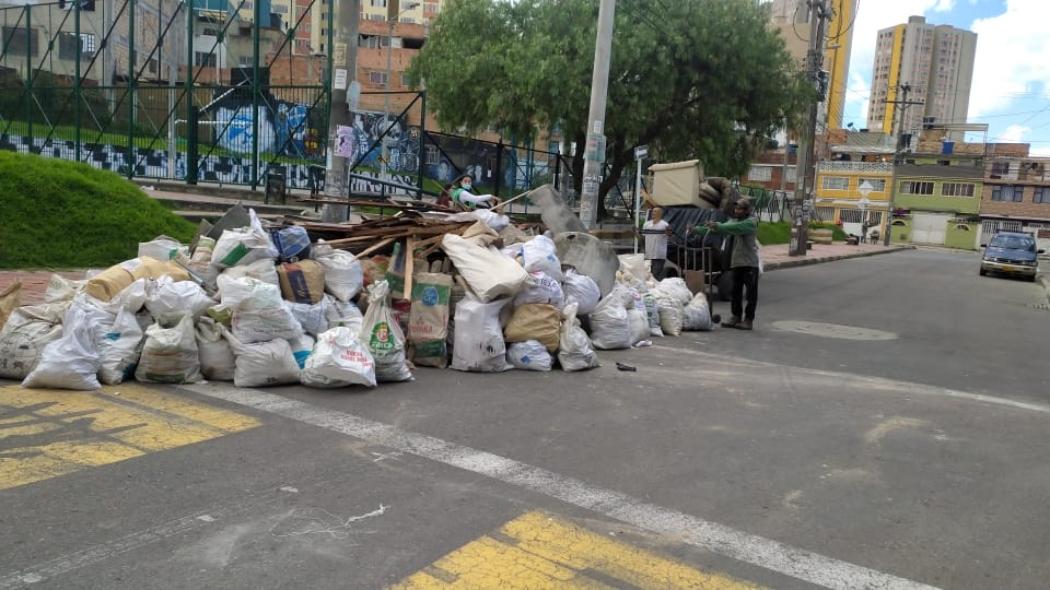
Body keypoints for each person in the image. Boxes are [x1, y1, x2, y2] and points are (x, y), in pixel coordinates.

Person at [693, 198, 760, 330]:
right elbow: (720, 228)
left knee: (751, 294)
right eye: (736, 208)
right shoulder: (733, 221)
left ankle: (748, 319)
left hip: (749, 263)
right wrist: (697, 229)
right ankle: (736, 316)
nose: (737, 211)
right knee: (735, 292)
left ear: (746, 211)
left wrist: (718, 226)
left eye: (740, 209)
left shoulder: (750, 222)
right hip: (736, 262)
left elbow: (732, 228)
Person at [641, 207, 672, 279]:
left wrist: (669, 232)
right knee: (647, 276)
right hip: (648, 255)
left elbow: (669, 234)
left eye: (655, 212)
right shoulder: (646, 224)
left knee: (654, 276)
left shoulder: (664, 225)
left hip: (659, 255)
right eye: (653, 211)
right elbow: (643, 237)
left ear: (660, 214)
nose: (653, 213)